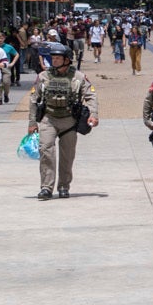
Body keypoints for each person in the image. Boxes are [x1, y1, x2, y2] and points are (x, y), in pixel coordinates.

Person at [27, 43, 96, 200]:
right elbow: (33, 99)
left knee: (67, 156)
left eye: (58, 58)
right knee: (46, 152)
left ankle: (64, 186)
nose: (54, 61)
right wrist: (32, 123)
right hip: (48, 119)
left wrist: (94, 114)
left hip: (69, 122)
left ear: (67, 60)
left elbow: (91, 95)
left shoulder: (78, 77)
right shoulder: (43, 76)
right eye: (53, 58)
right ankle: (46, 187)